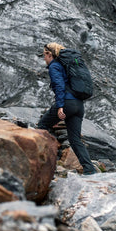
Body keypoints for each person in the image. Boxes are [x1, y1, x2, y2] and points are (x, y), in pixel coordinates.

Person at [37, 42, 98, 175]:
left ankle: (40, 161)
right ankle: (89, 169)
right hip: (79, 105)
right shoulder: (67, 66)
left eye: (44, 55)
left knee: (42, 126)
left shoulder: (54, 66)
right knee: (75, 139)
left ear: (49, 54)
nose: (44, 59)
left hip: (67, 103)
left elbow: (59, 86)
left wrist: (60, 106)